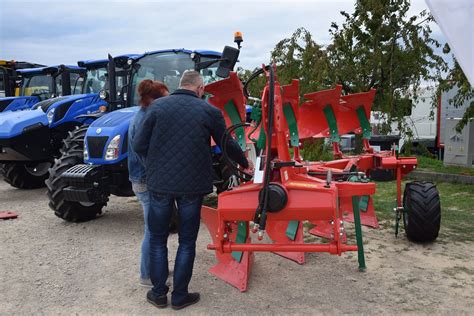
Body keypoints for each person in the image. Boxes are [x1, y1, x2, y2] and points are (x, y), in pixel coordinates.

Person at [133, 70, 249, 310]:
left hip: (160, 185)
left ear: (181, 84)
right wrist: (245, 162)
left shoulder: (156, 108)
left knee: (157, 239)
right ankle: (179, 296)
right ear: (200, 88)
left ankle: (158, 294)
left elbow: (138, 145)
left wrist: (156, 165)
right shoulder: (209, 111)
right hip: (192, 186)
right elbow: (227, 143)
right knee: (187, 241)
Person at [127, 79, 169, 288]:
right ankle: (147, 275)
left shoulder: (144, 115)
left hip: (141, 178)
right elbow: (145, 156)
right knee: (153, 230)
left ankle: (157, 267)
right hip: (145, 180)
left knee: (156, 228)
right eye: (165, 98)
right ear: (153, 100)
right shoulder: (144, 121)